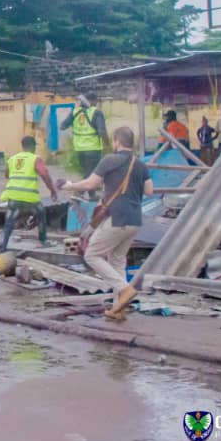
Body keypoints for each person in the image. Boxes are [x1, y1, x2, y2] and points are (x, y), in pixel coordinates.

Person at [61, 127, 153, 319]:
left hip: (117, 218)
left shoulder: (110, 160)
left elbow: (89, 185)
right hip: (135, 219)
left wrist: (70, 186)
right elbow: (149, 191)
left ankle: (125, 290)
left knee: (92, 254)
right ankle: (118, 309)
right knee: (117, 260)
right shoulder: (140, 164)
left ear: (117, 141)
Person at [0, 136, 58, 250]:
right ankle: (42, 240)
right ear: (33, 146)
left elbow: (7, 175)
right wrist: (53, 190)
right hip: (29, 198)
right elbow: (45, 175)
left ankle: (3, 246)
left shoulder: (12, 159)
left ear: (23, 146)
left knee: (9, 222)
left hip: (13, 196)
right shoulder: (35, 159)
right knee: (41, 214)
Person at [61, 94, 110, 192]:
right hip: (93, 148)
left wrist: (77, 126)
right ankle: (82, 192)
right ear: (92, 101)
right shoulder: (96, 112)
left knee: (87, 172)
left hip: (79, 149)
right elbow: (102, 132)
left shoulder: (75, 112)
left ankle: (83, 192)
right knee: (92, 173)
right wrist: (107, 145)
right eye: (96, 101)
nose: (96, 103)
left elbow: (62, 126)